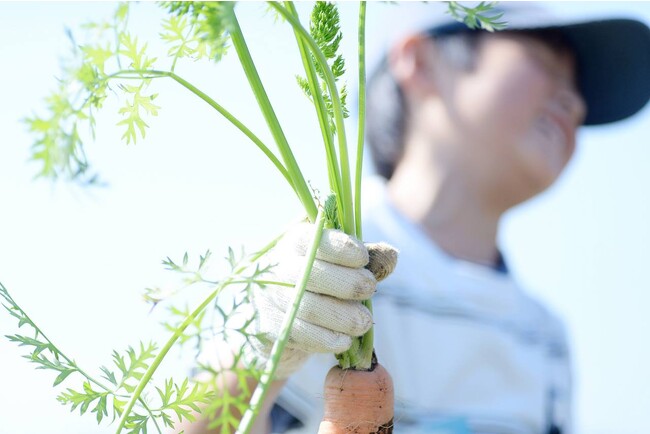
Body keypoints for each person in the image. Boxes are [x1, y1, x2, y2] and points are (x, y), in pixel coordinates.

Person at [184, 3, 650, 434]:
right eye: (547, 63)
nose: (575, 104)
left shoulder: (543, 337)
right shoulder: (316, 260)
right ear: (420, 61)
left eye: (579, 92)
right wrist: (264, 346)